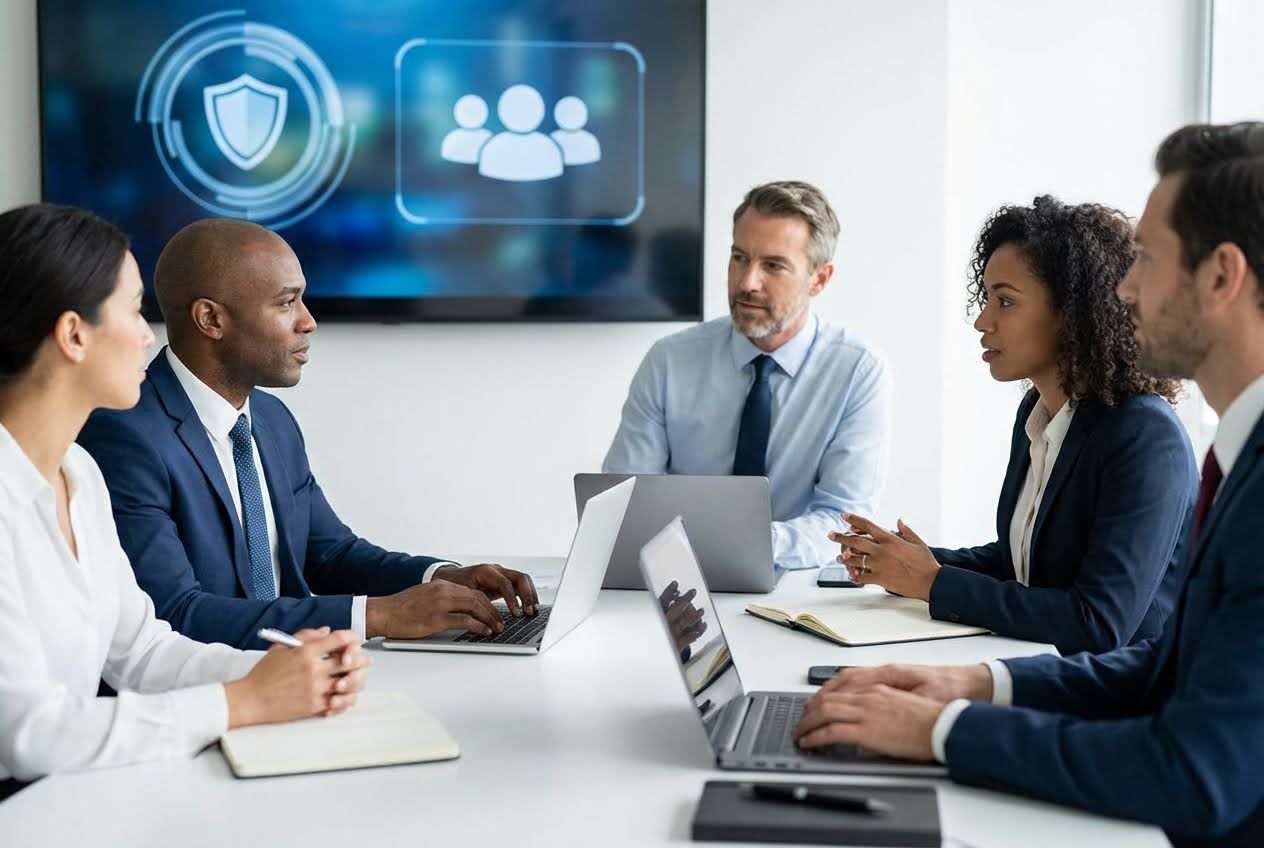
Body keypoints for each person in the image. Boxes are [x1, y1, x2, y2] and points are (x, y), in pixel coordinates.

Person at [794, 122, 1264, 847]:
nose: (1127, 287)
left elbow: (1192, 772)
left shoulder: (1186, 451)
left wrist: (947, 730)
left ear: (1222, 275)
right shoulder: (1237, 458)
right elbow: (1161, 669)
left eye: (1146, 259)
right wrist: (973, 686)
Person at [0, 204, 369, 793]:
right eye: (131, 309)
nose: (150, 334)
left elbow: (142, 652)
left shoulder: (80, 473)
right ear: (74, 334)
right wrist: (242, 701)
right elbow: (26, 732)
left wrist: (291, 672)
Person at [78, 219, 538, 651]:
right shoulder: (124, 435)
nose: (308, 321)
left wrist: (439, 578)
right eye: (286, 302)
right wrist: (376, 616)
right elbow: (174, 614)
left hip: (302, 675)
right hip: (212, 689)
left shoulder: (272, 420)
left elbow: (331, 554)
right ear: (211, 320)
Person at [832, 197, 1197, 655]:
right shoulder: (1037, 412)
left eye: (1005, 301)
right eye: (986, 299)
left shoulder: (1145, 436)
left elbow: (1099, 624)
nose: (983, 321)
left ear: (1073, 312)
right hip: (1048, 670)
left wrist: (933, 582)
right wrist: (907, 563)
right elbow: (1021, 564)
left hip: (1121, 700)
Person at [604, 180, 893, 571]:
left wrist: (737, 545)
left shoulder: (857, 370)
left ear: (819, 279)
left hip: (794, 586)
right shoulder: (670, 361)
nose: (747, 282)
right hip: (680, 581)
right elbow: (626, 499)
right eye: (739, 258)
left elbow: (843, 520)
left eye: (773, 266)